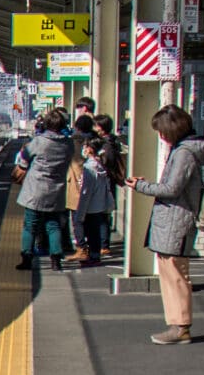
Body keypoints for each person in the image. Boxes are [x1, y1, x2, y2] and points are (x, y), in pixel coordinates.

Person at [135, 104, 204, 344]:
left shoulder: (184, 154)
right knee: (171, 274)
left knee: (175, 276)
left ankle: (180, 327)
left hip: (177, 220)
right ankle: (176, 325)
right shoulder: (183, 151)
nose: (160, 136)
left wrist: (140, 186)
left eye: (161, 131)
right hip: (173, 221)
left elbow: (172, 188)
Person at [12, 110, 76, 270]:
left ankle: (26, 258)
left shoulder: (39, 141)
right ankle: (56, 259)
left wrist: (23, 167)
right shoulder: (68, 143)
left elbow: (25, 157)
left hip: (35, 190)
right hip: (56, 190)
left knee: (30, 225)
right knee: (53, 225)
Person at [74, 114, 124, 266]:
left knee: (92, 231)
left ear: (90, 149)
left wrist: (80, 211)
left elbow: (85, 192)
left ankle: (94, 255)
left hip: (91, 206)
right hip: (99, 203)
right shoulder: (100, 165)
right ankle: (96, 253)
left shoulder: (90, 168)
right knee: (97, 228)